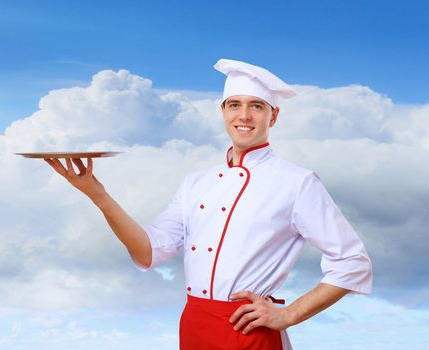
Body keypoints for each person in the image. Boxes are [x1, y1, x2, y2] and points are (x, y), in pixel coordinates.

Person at [43, 59, 373, 349]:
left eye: (257, 106)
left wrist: (289, 314)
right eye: (234, 105)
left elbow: (352, 261)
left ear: (274, 116)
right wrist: (97, 194)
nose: (244, 116)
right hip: (194, 325)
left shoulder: (296, 182)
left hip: (247, 330)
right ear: (222, 111)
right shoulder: (196, 183)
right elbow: (148, 252)